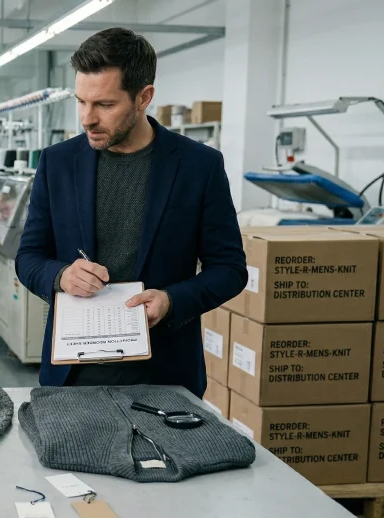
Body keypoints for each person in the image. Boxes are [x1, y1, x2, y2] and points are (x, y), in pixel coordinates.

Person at [14, 28, 246, 398]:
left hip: (164, 371)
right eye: (81, 102)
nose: (87, 119)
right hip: (74, 372)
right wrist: (60, 276)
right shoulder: (58, 163)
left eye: (104, 105)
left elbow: (230, 270)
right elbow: (27, 258)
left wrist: (172, 301)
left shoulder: (198, 166)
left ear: (144, 97)